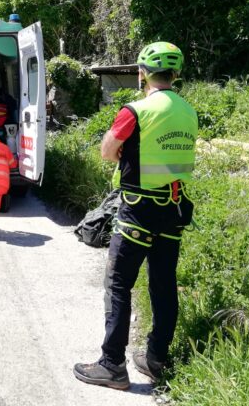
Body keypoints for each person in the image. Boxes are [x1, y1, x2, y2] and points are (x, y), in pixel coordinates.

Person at [74, 42, 198, 390]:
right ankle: (156, 358)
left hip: (138, 208)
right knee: (163, 284)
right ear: (175, 75)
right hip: (173, 208)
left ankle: (112, 365)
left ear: (142, 73)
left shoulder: (136, 110)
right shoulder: (189, 111)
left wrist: (130, 159)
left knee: (118, 284)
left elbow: (106, 151)